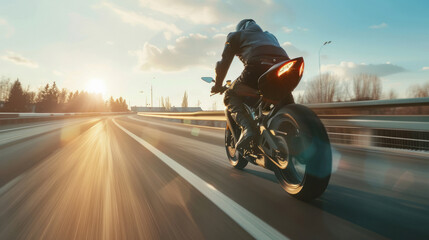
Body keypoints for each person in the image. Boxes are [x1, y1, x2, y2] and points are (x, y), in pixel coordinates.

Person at [211, 19, 290, 150]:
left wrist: (218, 84)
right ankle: (297, 129)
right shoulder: (270, 36)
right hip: (284, 68)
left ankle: (248, 129)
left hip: (257, 66)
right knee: (284, 98)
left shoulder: (235, 35)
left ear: (241, 28)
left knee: (229, 94)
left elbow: (223, 63)